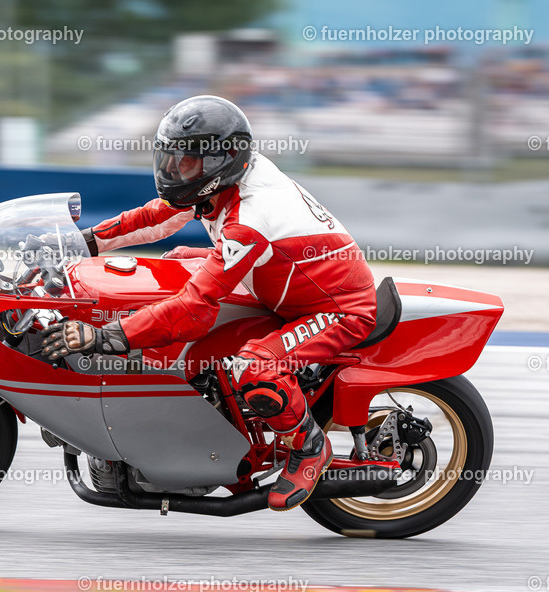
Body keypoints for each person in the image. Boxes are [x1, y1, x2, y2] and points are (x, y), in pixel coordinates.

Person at [41, 95, 377, 511]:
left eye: (187, 161)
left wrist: (106, 336)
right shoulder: (227, 180)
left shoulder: (251, 217)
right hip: (271, 283)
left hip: (335, 308)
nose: (173, 170)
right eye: (169, 157)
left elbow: (193, 310)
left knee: (255, 367)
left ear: (222, 162)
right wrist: (84, 241)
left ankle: (309, 447)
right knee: (175, 263)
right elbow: (157, 215)